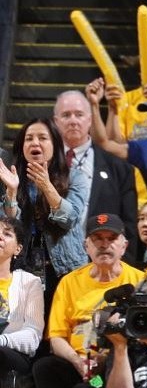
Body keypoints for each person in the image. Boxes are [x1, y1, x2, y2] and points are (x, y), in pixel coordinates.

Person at [32, 213, 145, 388]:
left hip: (120, 361)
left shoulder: (139, 281)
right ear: (86, 246)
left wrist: (109, 356)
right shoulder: (69, 282)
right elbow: (56, 337)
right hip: (80, 364)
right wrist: (77, 361)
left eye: (111, 238)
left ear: (124, 245)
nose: (104, 244)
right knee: (44, 368)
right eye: (97, 239)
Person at [1, 118, 89, 301]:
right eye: (29, 138)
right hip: (22, 270)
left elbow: (69, 218)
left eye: (42, 138)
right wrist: (11, 192)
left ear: (55, 145)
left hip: (66, 270)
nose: (35, 143)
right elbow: (9, 226)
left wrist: (47, 186)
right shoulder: (10, 178)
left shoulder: (75, 177)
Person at [53, 90, 139, 265]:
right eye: (66, 115)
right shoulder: (43, 164)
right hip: (54, 261)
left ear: (90, 119)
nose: (73, 121)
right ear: (56, 122)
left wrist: (124, 266)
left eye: (79, 114)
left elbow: (129, 224)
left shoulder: (119, 168)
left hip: (103, 261)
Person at [0, 216, 45, 376]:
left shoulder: (30, 282)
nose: (0, 236)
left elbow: (33, 335)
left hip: (12, 353)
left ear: (18, 249)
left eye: (7, 234)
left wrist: (2, 340)